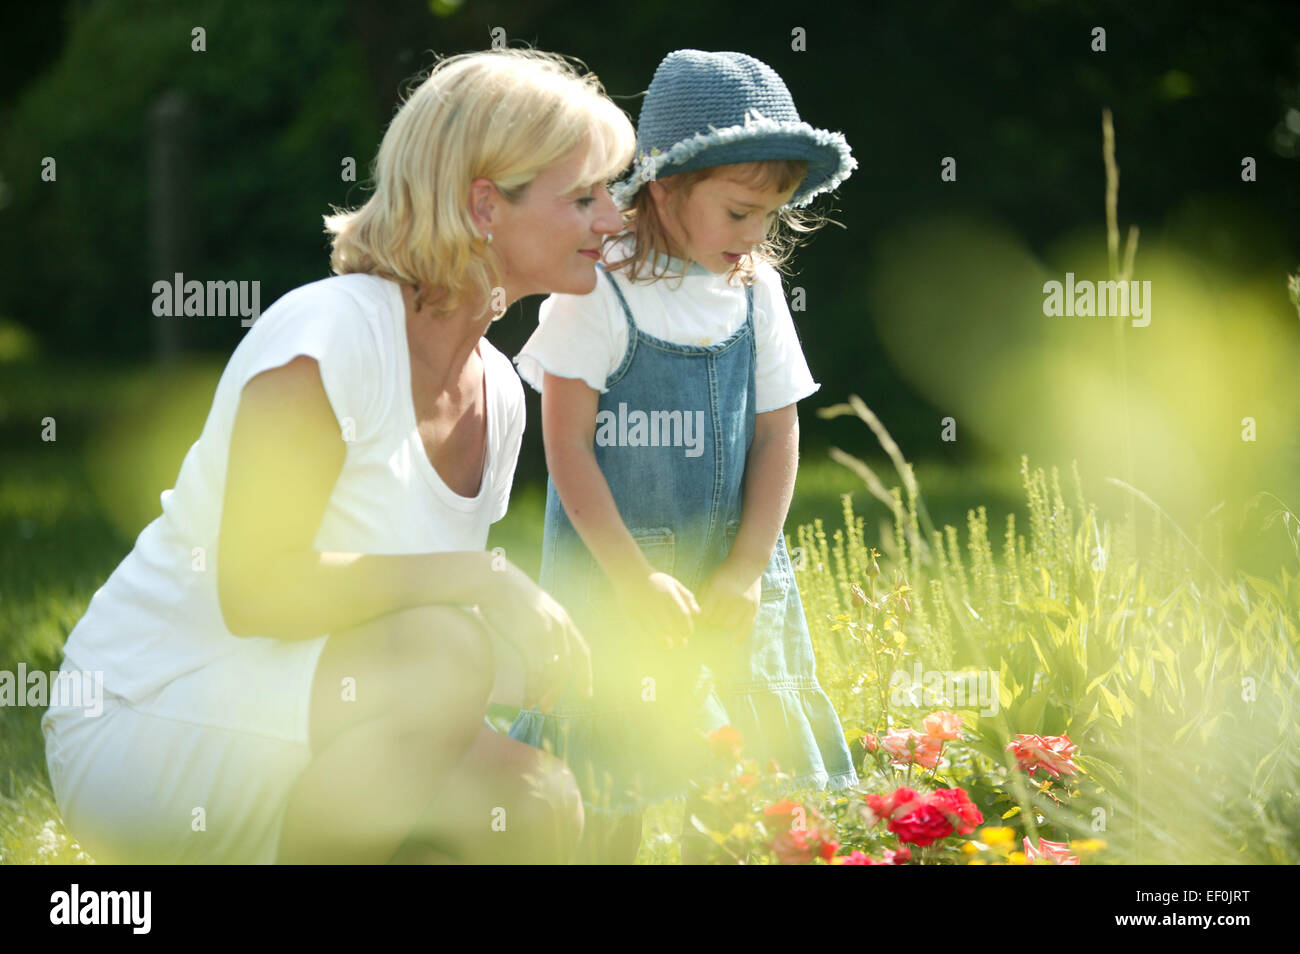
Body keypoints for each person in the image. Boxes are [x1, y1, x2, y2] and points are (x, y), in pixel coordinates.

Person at [40, 48, 636, 865]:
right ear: (485, 205)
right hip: (148, 715)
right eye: (584, 196)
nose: (613, 219)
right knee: (447, 651)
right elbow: (258, 590)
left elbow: (398, 648)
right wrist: (483, 582)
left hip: (305, 714)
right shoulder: (327, 334)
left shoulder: (498, 390)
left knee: (536, 804)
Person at [507, 49, 860, 862]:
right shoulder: (597, 290)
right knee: (614, 781)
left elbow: (778, 436)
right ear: (666, 188)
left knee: (740, 789)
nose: (756, 236)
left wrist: (745, 569)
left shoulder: (756, 290)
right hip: (616, 576)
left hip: (732, 580)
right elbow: (567, 454)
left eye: (770, 217)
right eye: (739, 213)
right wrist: (634, 581)